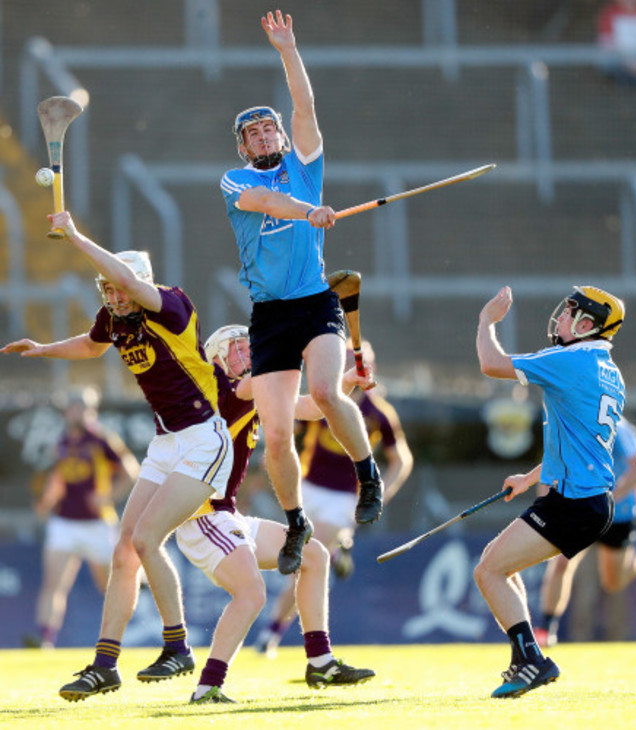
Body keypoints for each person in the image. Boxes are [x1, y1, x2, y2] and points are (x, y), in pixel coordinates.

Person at [1, 210, 234, 702]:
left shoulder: (170, 304)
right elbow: (90, 346)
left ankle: (179, 647)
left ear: (139, 284)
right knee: (124, 547)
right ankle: (105, 664)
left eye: (118, 288)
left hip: (203, 439)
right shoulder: (114, 316)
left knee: (148, 539)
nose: (112, 296)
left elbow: (127, 279)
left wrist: (75, 235)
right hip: (167, 441)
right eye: (105, 290)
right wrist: (44, 349)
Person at [220, 10, 384, 577]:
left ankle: (368, 477)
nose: (265, 135)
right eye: (254, 133)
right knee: (278, 434)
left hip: (317, 303)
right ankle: (296, 522)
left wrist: (288, 50)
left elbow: (305, 107)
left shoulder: (305, 164)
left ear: (283, 136)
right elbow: (268, 205)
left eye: (270, 128)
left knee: (326, 389)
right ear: (244, 148)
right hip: (269, 315)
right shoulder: (238, 182)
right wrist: (306, 211)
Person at [175, 324, 375, 703]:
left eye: (249, 347)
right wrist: (305, 337)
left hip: (225, 515)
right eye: (236, 349)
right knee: (251, 594)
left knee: (314, 554)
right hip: (202, 516)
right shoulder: (222, 385)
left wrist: (344, 379)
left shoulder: (253, 388)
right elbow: (273, 376)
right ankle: (207, 687)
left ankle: (320, 661)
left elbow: (311, 407)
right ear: (217, 359)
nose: (246, 354)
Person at [474, 284, 625, 699]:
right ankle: (528, 658)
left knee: (488, 571)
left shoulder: (570, 359)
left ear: (586, 325)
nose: (559, 318)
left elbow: (491, 364)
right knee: (497, 564)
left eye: (569, 312)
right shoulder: (609, 370)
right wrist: (529, 477)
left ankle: (532, 661)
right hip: (588, 500)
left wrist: (487, 321)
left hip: (575, 503)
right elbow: (579, 443)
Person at [255, 340, 413, 657]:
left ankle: (272, 632)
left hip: (342, 498)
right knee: (310, 559)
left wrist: (380, 491)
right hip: (306, 488)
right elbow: (287, 432)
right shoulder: (321, 398)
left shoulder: (379, 413)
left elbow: (402, 460)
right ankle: (340, 550)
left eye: (357, 362)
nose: (349, 368)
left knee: (305, 559)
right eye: (343, 362)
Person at [23, 386, 139, 649]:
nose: (77, 411)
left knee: (109, 586)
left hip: (97, 523)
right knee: (53, 584)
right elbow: (57, 480)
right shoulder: (62, 443)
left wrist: (108, 496)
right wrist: (46, 502)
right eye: (74, 406)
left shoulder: (101, 440)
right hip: (64, 522)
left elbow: (131, 471)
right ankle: (45, 640)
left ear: (91, 411)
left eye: (83, 406)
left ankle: (120, 636)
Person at [534, 416, 636, 647]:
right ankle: (547, 629)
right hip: (581, 512)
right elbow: (550, 469)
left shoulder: (619, 425)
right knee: (561, 563)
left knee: (612, 582)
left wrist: (608, 499)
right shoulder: (569, 422)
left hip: (618, 514)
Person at [597, 0, 636, 87]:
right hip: (620, 57)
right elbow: (606, 41)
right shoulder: (609, 14)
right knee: (605, 62)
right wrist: (625, 59)